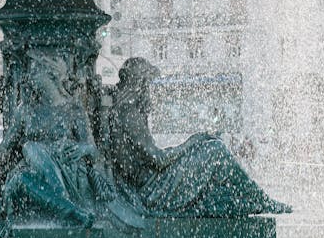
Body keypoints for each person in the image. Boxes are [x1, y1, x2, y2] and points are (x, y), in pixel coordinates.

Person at [0, 50, 143, 229]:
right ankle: (69, 207)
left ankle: (62, 201)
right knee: (24, 164)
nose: (30, 76)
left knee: (29, 150)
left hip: (68, 171)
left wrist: (83, 149)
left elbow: (93, 149)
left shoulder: (74, 109)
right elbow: (3, 149)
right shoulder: (26, 110)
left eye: (36, 71)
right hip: (36, 169)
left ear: (52, 74)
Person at [107, 57, 291, 215]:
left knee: (209, 149)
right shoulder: (129, 113)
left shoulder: (126, 111)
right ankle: (259, 200)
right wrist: (191, 141)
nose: (150, 91)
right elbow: (159, 160)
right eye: (148, 84)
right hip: (155, 189)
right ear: (139, 84)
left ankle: (251, 200)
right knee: (215, 149)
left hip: (155, 182)